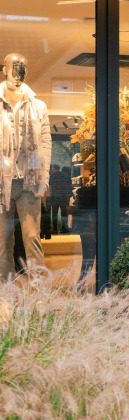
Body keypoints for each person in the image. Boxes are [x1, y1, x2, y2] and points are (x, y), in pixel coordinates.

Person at [0, 53, 52, 278]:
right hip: (1, 183)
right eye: (13, 67)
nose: (17, 72)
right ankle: (4, 296)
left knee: (32, 239)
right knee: (2, 243)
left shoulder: (38, 106)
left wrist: (44, 179)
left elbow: (45, 145)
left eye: (22, 68)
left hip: (28, 183)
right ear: (4, 70)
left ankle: (40, 296)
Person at [48, 164, 73, 233]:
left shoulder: (52, 176)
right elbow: (70, 187)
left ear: (53, 169)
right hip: (64, 198)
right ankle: (64, 229)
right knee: (64, 214)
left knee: (54, 214)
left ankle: (55, 229)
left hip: (54, 198)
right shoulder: (66, 176)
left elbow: (49, 187)